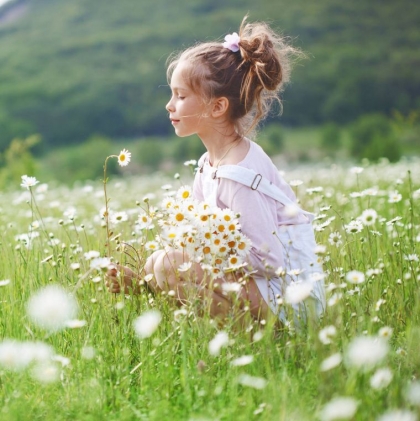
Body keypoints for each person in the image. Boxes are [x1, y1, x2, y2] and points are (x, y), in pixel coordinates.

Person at [106, 17, 325, 324]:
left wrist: (208, 258)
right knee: (164, 261)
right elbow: (192, 239)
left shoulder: (239, 174)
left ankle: (268, 343)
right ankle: (146, 289)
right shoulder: (209, 165)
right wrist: (152, 274)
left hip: (289, 300)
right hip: (261, 291)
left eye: (181, 96)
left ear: (218, 107)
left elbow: (270, 260)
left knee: (172, 264)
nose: (170, 105)